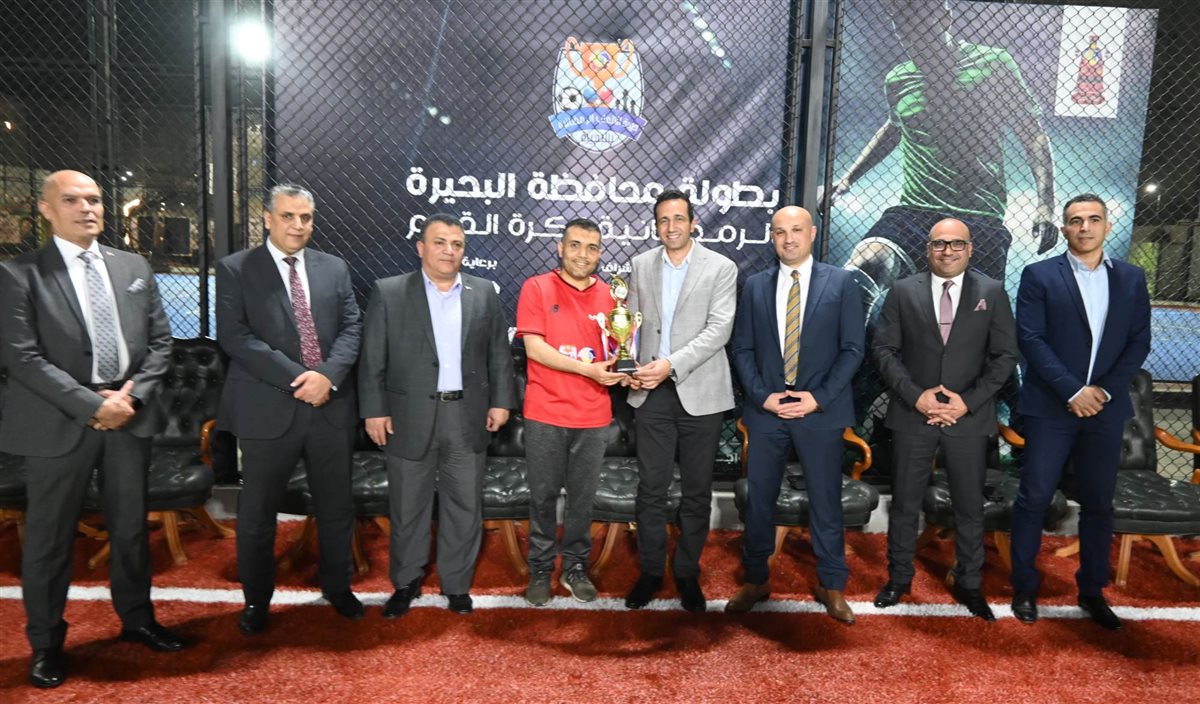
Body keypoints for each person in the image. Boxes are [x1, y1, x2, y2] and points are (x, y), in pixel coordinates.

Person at [0, 170, 181, 688]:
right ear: (46, 209)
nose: (87, 208)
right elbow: (22, 357)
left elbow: (161, 344)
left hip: (128, 416)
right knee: (49, 539)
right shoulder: (18, 274)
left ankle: (138, 621)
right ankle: (46, 644)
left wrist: (131, 398)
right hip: (59, 422)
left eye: (95, 199)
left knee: (131, 529)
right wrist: (90, 405)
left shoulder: (133, 266)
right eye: (72, 200)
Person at [826, 0, 1056, 304]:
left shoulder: (993, 63)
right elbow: (894, 127)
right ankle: (842, 336)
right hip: (915, 212)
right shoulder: (898, 79)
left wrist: (1045, 205)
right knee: (866, 264)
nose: (910, 33)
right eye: (902, 25)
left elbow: (1032, 133)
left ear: (945, 17)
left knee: (970, 321)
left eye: (920, 22)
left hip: (978, 217)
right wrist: (848, 178)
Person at [216, 183, 364, 634]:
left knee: (336, 508)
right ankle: (257, 600)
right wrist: (301, 379)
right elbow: (236, 337)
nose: (298, 225)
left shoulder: (334, 268)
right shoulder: (236, 268)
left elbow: (353, 327)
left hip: (329, 407)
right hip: (268, 409)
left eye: (305, 217)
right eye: (287, 216)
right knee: (258, 514)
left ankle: (337, 587)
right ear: (267, 218)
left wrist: (327, 376)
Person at [359, 214, 516, 617]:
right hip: (407, 417)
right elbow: (373, 357)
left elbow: (498, 353)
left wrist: (501, 401)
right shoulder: (389, 292)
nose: (449, 250)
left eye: (457, 244)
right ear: (421, 248)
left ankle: (456, 585)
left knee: (464, 505)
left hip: (466, 415)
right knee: (408, 505)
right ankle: (406, 583)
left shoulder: (483, 292)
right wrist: (374, 410)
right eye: (440, 242)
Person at [1009, 194, 1151, 631]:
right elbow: (1030, 339)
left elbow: (1138, 342)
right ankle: (1024, 588)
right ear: (1064, 229)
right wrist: (1072, 390)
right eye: (1075, 220)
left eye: (1093, 219)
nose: (1084, 227)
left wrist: (1102, 392)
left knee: (1099, 503)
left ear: (1107, 226)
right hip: (1050, 408)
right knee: (1034, 498)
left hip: (1104, 410)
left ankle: (1092, 592)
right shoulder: (1038, 275)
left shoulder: (1131, 278)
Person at [871, 218, 1018, 621]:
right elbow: (884, 351)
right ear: (928, 249)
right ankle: (899, 579)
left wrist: (966, 403)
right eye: (939, 244)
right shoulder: (903, 290)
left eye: (956, 244)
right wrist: (916, 396)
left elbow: (1005, 356)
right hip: (912, 415)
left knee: (969, 506)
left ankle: (970, 583)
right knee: (905, 504)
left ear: (970, 249)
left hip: (967, 419)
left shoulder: (992, 291)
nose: (947, 251)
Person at [728, 205, 865, 622]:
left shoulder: (841, 282)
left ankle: (832, 585)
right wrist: (763, 397)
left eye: (796, 230)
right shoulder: (755, 286)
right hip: (768, 411)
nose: (788, 238)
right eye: (779, 231)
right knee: (759, 502)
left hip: (820, 412)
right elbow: (742, 348)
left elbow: (852, 350)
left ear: (813, 233)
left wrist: (817, 398)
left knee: (826, 501)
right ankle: (756, 579)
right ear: (772, 237)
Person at [623, 190, 737, 613]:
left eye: (678, 219)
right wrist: (629, 363)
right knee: (651, 489)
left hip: (700, 393)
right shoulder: (640, 265)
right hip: (650, 393)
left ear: (693, 223)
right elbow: (630, 326)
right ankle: (652, 571)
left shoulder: (721, 267)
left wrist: (669, 365)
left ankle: (687, 572)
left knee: (696, 490)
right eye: (663, 220)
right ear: (656, 225)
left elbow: (719, 330)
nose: (671, 227)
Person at [515, 218, 627, 605]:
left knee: (582, 499)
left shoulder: (612, 297)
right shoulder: (536, 287)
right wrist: (587, 369)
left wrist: (623, 371)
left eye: (592, 247)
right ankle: (541, 567)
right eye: (575, 245)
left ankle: (576, 566)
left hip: (593, 415)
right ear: (560, 248)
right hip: (545, 412)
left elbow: (618, 352)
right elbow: (535, 349)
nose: (583, 254)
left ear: (600, 253)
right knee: (543, 496)